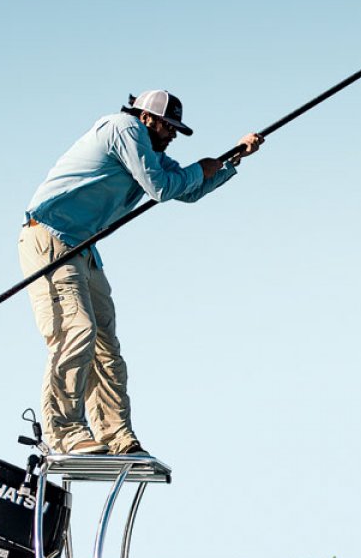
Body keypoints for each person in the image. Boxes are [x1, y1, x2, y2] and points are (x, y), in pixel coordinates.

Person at [18, 90, 263, 455]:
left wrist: (232, 160)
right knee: (76, 330)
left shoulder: (148, 153)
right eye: (168, 126)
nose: (173, 135)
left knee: (106, 344)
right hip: (51, 237)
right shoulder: (124, 129)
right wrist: (199, 169)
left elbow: (188, 191)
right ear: (147, 117)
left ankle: (115, 437)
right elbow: (163, 188)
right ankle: (64, 431)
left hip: (83, 249)